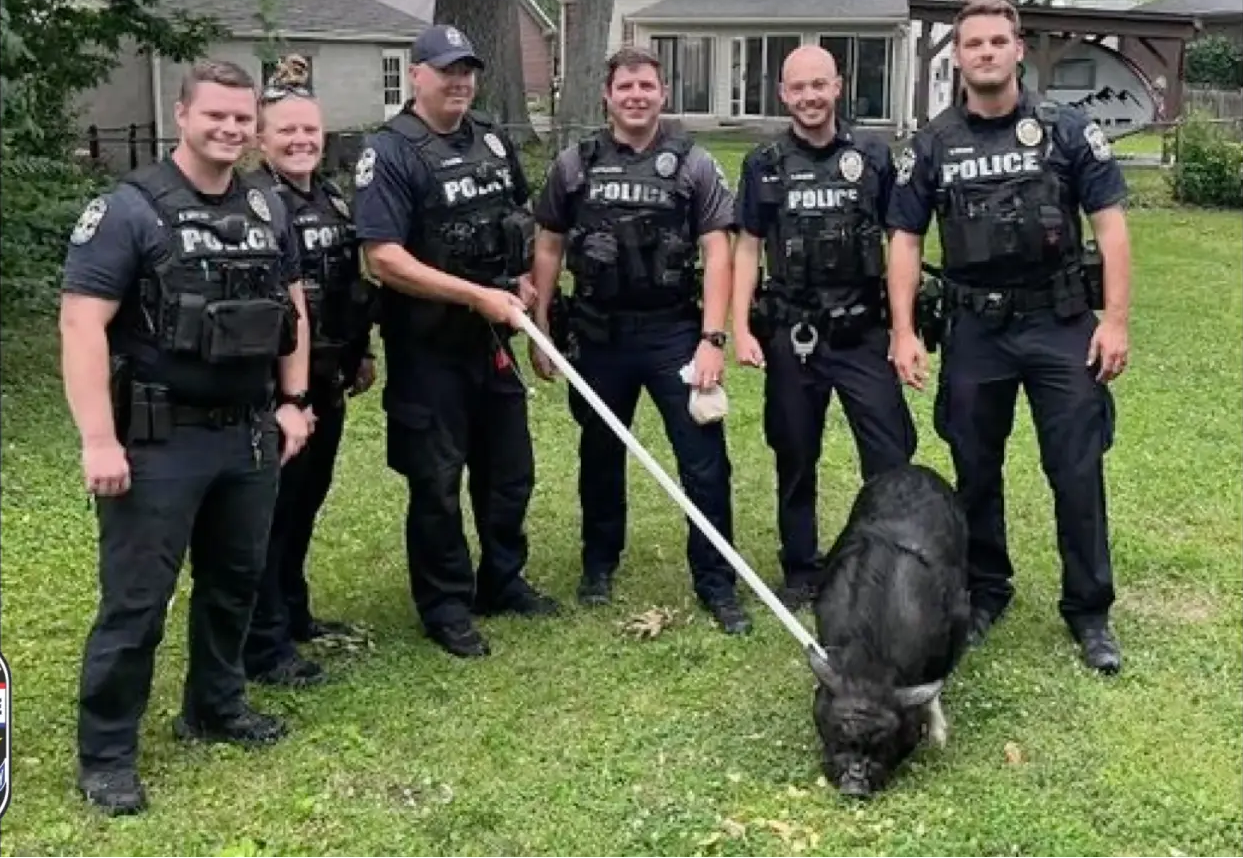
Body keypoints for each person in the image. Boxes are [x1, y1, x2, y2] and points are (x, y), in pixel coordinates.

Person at [60, 59, 312, 815]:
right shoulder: (130, 210)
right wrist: (97, 440)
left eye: (242, 119)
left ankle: (216, 705)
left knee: (235, 583)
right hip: (157, 438)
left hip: (247, 438)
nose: (230, 129)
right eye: (217, 116)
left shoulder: (267, 207)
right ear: (183, 114)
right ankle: (106, 754)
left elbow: (294, 308)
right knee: (137, 603)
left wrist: (294, 400)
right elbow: (81, 325)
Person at [886, 0, 1130, 674]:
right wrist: (904, 330)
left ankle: (1088, 610)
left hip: (1059, 326)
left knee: (1076, 471)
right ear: (957, 57)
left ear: (1017, 50)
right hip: (974, 331)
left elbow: (1109, 226)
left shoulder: (1066, 132)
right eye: (973, 43)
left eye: (998, 41)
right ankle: (985, 590)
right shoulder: (932, 144)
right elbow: (903, 239)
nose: (985, 52)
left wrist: (1113, 320)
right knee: (975, 472)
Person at [528, 46, 751, 635]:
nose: (636, 95)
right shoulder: (575, 164)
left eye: (646, 86)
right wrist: (542, 324)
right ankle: (598, 565)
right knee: (600, 455)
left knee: (704, 462)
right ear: (608, 95)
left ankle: (717, 582)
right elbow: (549, 242)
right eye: (625, 86)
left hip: (674, 334)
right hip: (598, 335)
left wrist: (712, 338)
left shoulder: (694, 164)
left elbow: (717, 249)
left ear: (662, 94)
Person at [353, 24, 558, 659]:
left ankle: (502, 580)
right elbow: (383, 258)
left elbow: (520, 223)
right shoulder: (389, 153)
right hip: (429, 349)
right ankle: (445, 604)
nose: (459, 81)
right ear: (417, 76)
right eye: (445, 70)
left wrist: (523, 290)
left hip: (493, 338)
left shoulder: (492, 139)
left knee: (509, 474)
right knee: (437, 481)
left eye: (466, 70)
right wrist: (474, 295)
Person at [731, 45, 917, 612]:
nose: (810, 96)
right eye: (798, 88)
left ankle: (889, 562)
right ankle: (801, 568)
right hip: (793, 332)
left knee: (889, 454)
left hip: (863, 332)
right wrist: (739, 326)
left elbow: (901, 242)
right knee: (795, 452)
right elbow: (748, 247)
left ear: (838, 87)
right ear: (783, 95)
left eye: (820, 84)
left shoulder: (874, 157)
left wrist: (905, 330)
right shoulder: (763, 163)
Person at [241, 55, 378, 687]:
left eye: (310, 132)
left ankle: (293, 615)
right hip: (278, 391)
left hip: (328, 377)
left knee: (303, 509)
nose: (300, 142)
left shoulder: (330, 197)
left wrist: (362, 352)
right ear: (260, 140)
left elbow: (348, 283)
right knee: (271, 516)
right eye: (287, 132)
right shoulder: (256, 205)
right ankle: (263, 645)